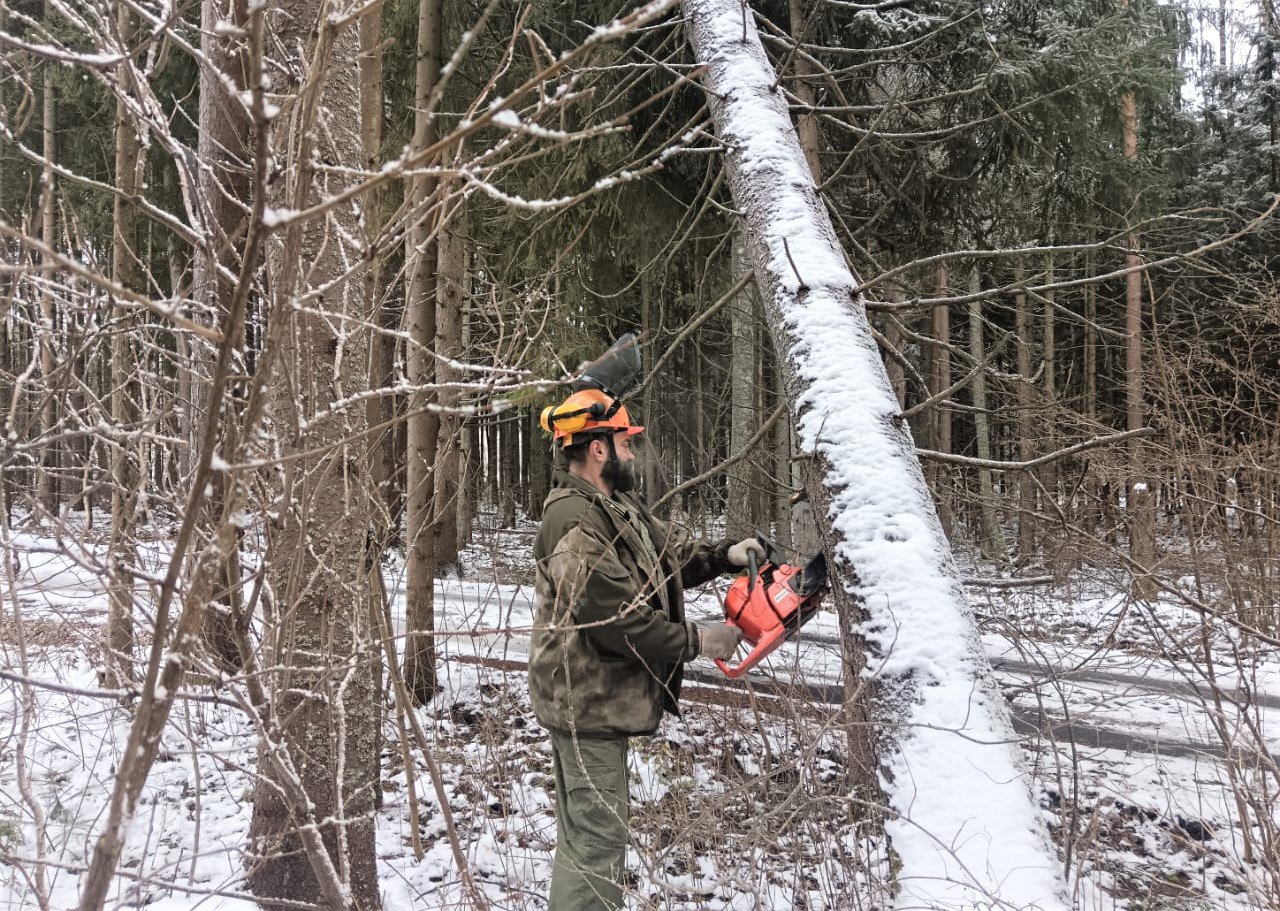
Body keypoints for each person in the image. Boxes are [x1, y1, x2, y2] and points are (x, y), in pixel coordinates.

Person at [529, 387, 765, 911]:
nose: (632, 453)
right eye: (625, 442)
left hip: (598, 704)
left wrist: (722, 555)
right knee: (596, 846)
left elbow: (661, 563)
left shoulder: (612, 505)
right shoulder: (573, 521)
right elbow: (619, 622)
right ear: (598, 449)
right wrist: (701, 640)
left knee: (584, 842)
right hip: (585, 708)